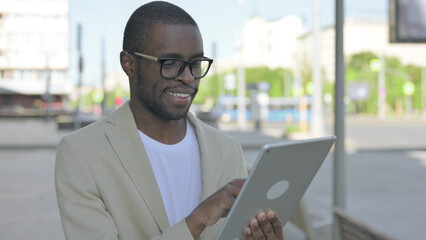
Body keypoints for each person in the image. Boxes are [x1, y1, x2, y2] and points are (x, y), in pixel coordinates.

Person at [55, 1, 284, 239]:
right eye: (170, 63)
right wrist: (198, 220)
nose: (188, 78)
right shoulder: (81, 153)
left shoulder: (227, 149)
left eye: (195, 64)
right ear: (129, 64)